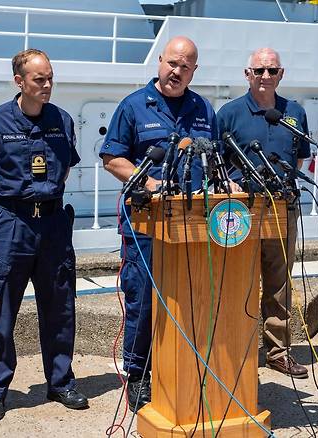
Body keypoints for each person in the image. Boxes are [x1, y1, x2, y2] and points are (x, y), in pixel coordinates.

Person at [0, 48, 87, 422]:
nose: (48, 84)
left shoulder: (63, 120)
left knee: (60, 308)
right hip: (12, 224)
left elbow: (65, 167)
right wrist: (7, 210)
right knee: (1, 311)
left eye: (51, 77)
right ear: (19, 81)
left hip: (52, 224)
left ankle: (60, 382)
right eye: (40, 79)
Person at [100, 36, 217, 411]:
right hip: (146, 225)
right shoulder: (134, 106)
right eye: (172, 63)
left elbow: (210, 161)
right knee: (144, 301)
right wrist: (148, 182)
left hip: (193, 225)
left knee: (191, 297)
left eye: (185, 66)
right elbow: (111, 158)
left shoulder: (203, 109)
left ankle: (183, 366)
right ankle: (138, 374)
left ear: (193, 71)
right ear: (160, 62)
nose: (176, 71)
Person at [217, 48, 310, 379]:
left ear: (281, 74)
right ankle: (235, 350)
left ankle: (277, 352)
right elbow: (217, 163)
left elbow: (299, 157)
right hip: (242, 209)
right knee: (238, 281)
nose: (265, 76)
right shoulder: (228, 114)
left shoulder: (294, 112)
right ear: (247, 74)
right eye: (259, 70)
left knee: (278, 283)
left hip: (282, 208)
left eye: (272, 70)